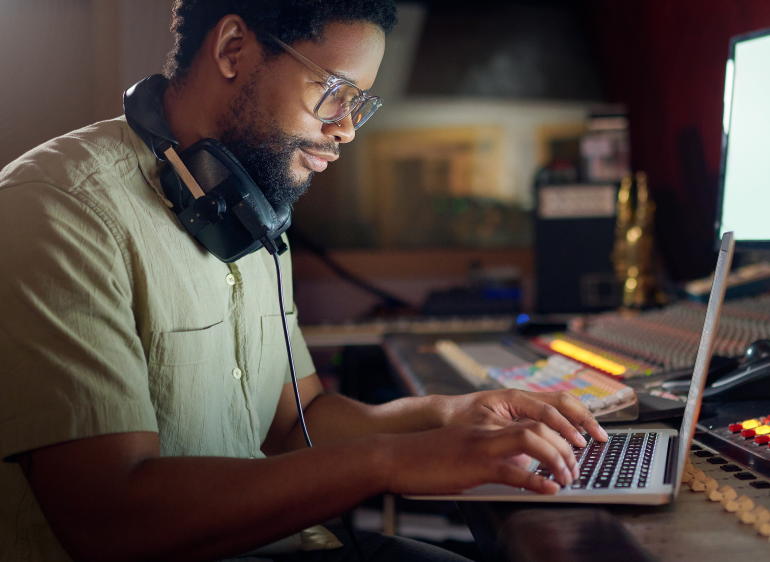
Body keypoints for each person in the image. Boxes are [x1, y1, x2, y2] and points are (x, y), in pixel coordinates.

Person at [0, 1, 607, 561]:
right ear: (233, 49)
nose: (346, 129)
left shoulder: (251, 208)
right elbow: (110, 518)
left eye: (359, 103)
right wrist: (392, 460)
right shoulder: (60, 209)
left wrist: (448, 415)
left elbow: (298, 421)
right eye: (335, 91)